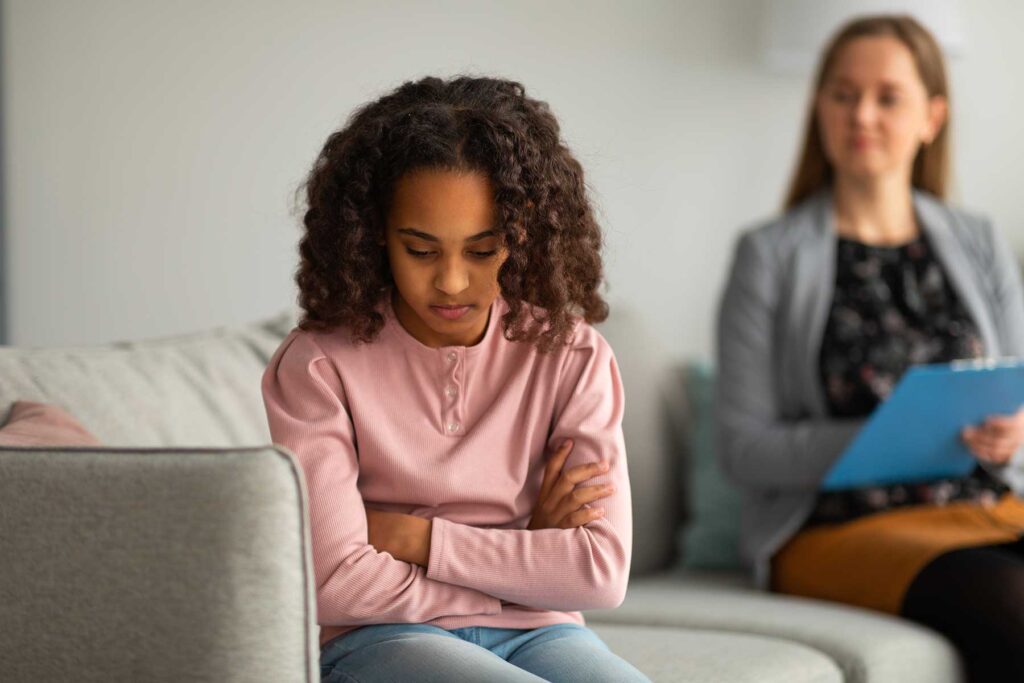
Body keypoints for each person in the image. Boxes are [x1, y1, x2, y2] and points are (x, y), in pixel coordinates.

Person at [262, 76, 648, 683]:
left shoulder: (572, 356)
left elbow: (598, 572)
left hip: (542, 632)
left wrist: (414, 538)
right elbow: (335, 583)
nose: (450, 282)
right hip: (383, 639)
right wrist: (526, 563)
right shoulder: (317, 365)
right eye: (420, 250)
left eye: (482, 249)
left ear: (523, 240)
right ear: (372, 238)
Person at [716, 15, 1024, 681]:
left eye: (888, 97)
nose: (862, 114)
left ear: (931, 117)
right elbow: (743, 448)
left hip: (983, 507)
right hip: (836, 530)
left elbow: (1015, 392)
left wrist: (1012, 436)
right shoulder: (767, 255)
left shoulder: (979, 240)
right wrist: (883, 438)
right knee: (1009, 602)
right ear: (818, 106)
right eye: (843, 93)